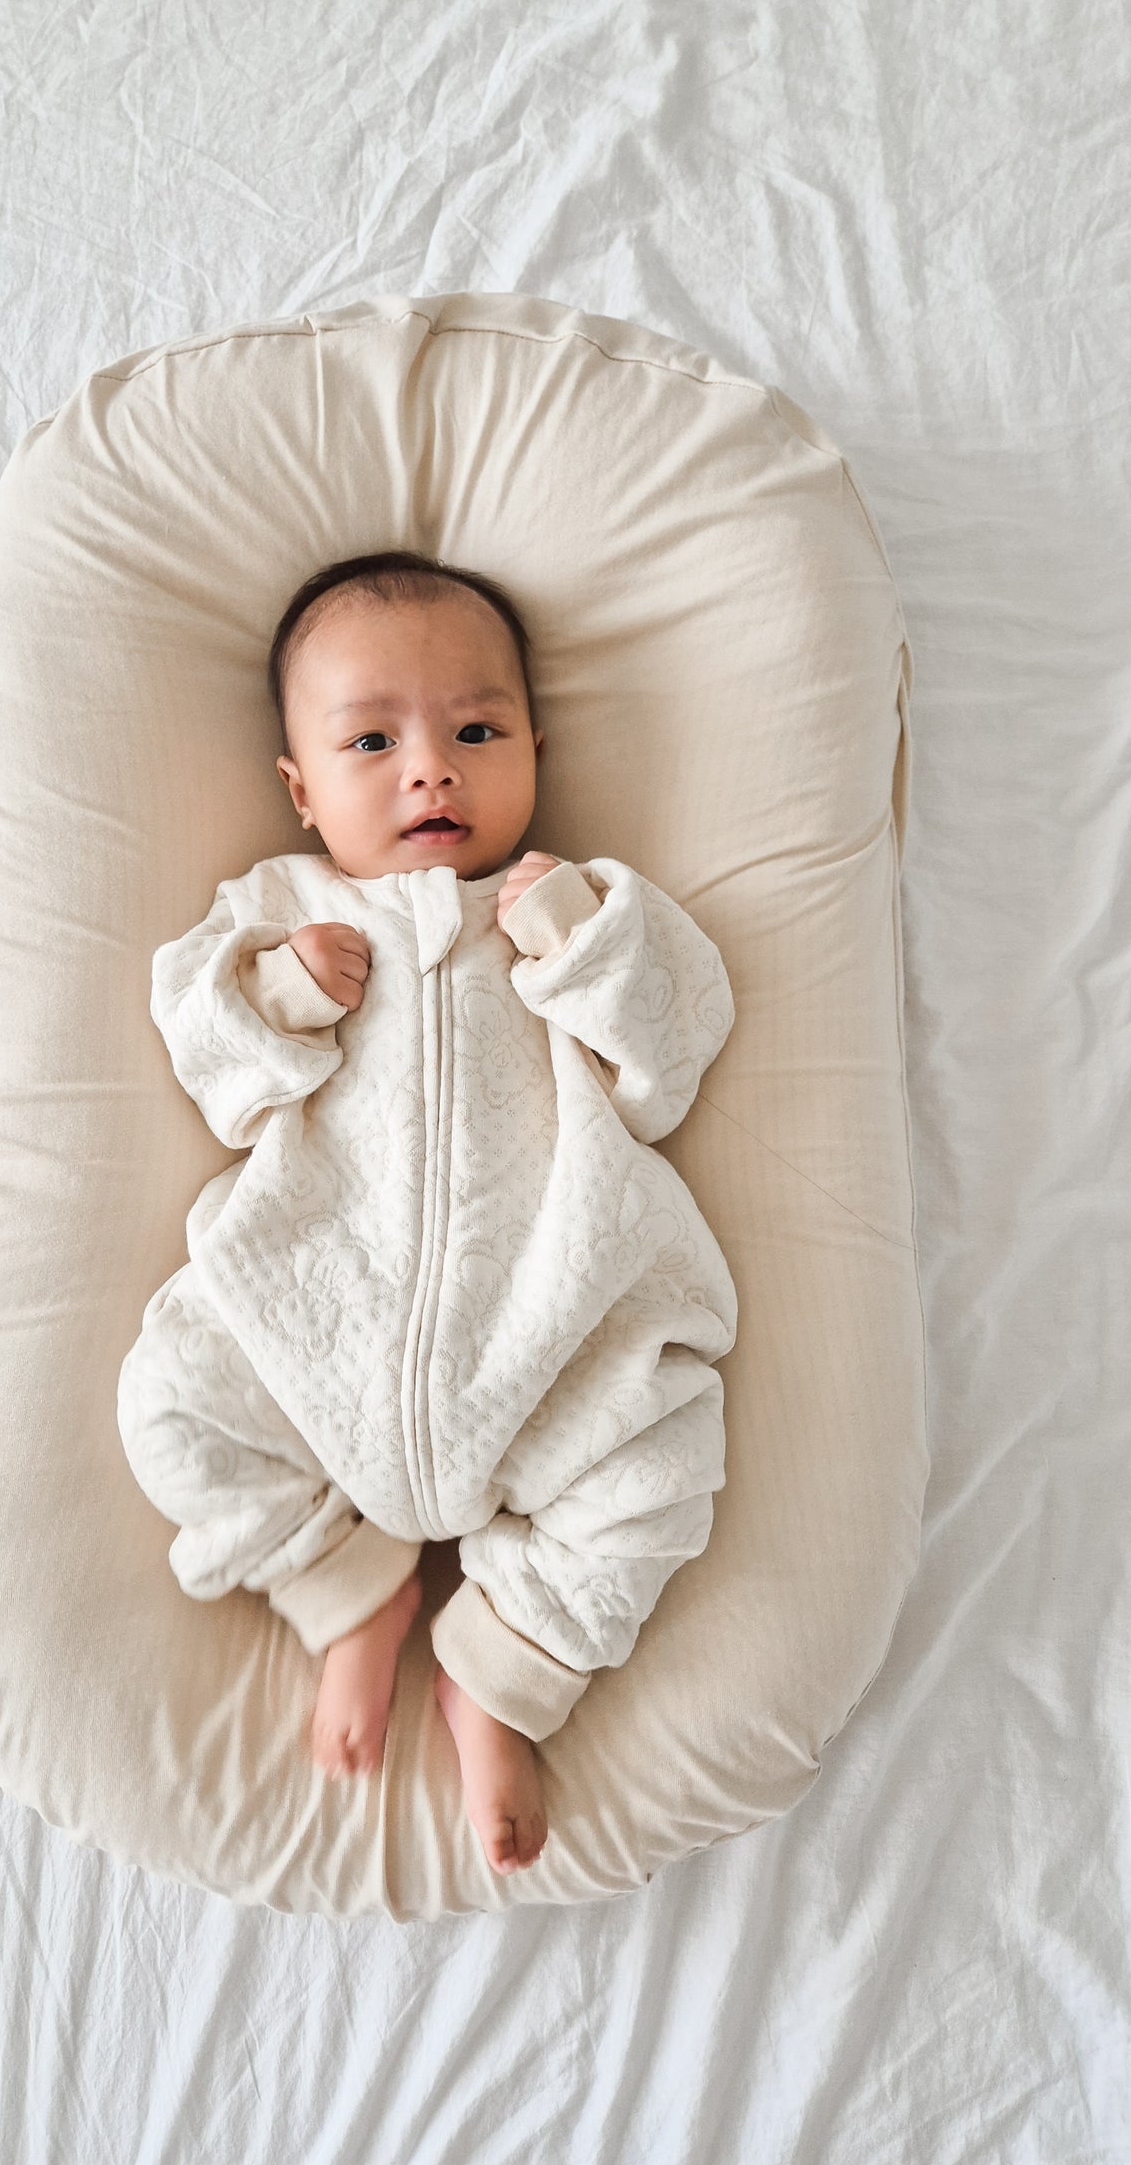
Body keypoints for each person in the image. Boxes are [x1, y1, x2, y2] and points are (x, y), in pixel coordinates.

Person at [116, 550, 738, 1876]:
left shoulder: (577, 906)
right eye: (370, 739)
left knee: (660, 1470)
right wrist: (275, 995)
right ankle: (350, 1592)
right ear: (299, 789)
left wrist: (576, 944)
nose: (429, 769)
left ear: (533, 745)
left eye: (474, 730)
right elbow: (204, 1053)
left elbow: (670, 1052)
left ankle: (498, 1679)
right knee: (171, 1399)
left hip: (553, 1321)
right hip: (315, 1321)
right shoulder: (274, 912)